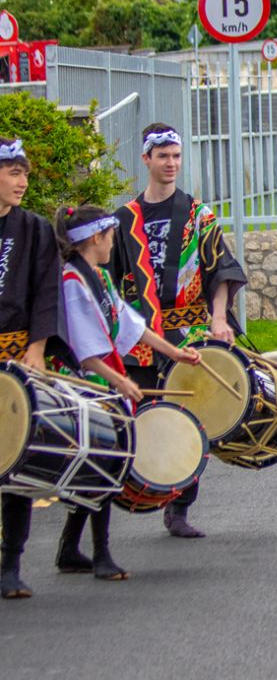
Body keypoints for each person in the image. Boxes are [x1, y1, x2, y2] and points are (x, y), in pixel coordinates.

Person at [50, 205, 203, 584]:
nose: (113, 242)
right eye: (109, 236)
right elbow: (85, 348)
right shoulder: (73, 281)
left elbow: (128, 322)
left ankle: (71, 547)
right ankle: (101, 554)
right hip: (82, 383)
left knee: (97, 464)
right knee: (103, 464)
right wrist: (118, 381)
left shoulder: (98, 276)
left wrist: (174, 351)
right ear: (94, 239)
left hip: (101, 380)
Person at [108, 123, 246, 539]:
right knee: (138, 416)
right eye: (163, 156)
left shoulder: (199, 215)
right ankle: (140, 488)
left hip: (188, 333)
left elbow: (219, 270)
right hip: (139, 340)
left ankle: (180, 507)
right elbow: (109, 284)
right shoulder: (123, 220)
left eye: (176, 156)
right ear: (146, 159)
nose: (171, 164)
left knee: (192, 417)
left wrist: (219, 318)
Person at [0, 138, 61, 600]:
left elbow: (46, 293)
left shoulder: (36, 230)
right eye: (13, 172)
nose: (23, 182)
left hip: (19, 359)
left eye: (24, 173)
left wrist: (38, 347)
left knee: (15, 463)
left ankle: (12, 564)